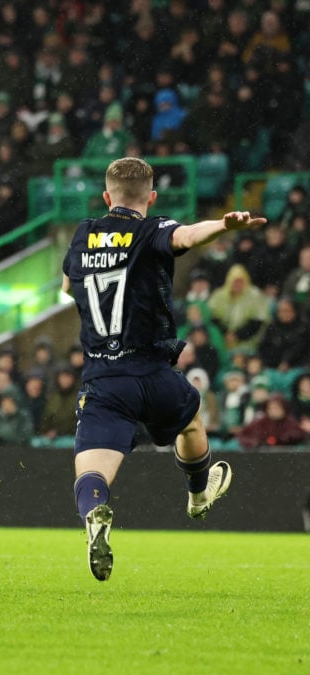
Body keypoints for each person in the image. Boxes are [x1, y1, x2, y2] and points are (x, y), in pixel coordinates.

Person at [61, 156, 265, 582]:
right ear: (151, 197)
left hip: (104, 379)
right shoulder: (151, 229)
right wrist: (225, 226)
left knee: (93, 472)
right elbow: (187, 236)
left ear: (106, 197)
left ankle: (96, 514)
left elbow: (66, 287)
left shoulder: (82, 235)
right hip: (153, 374)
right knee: (190, 421)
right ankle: (197, 496)